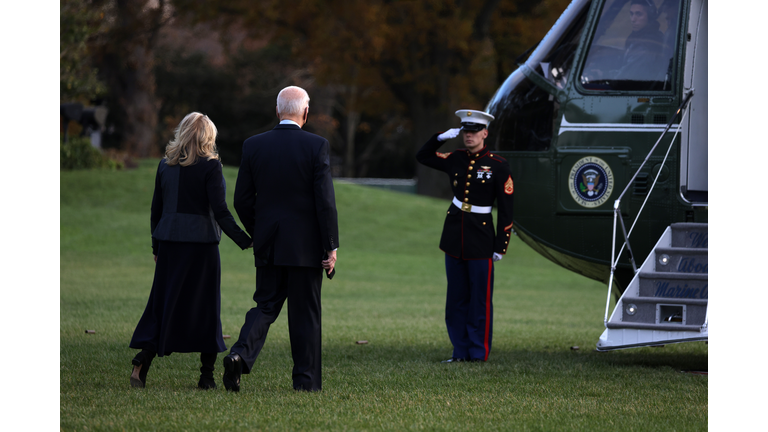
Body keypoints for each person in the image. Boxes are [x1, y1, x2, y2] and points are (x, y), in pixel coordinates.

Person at [224, 86, 339, 392]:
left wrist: (258, 230)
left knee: (264, 306)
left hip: (269, 244)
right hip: (306, 248)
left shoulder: (253, 145)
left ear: (277, 111)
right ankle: (306, 382)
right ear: (305, 112)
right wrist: (330, 245)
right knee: (306, 315)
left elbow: (241, 200)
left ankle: (239, 354)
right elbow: (324, 201)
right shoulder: (317, 146)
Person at [129, 112, 253, 389]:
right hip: (201, 248)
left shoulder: (165, 165)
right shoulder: (211, 167)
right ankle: (206, 377)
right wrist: (246, 240)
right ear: (209, 137)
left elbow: (156, 211)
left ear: (182, 133)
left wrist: (156, 247)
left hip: (169, 245)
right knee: (206, 308)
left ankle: (143, 358)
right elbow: (220, 211)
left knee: (163, 305)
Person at [416, 109, 514, 363]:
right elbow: (423, 156)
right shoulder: (455, 158)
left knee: (479, 301)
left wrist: (501, 245)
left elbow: (506, 210)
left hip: (482, 239)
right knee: (456, 300)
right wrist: (441, 137)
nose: (469, 136)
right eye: (465, 131)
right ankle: (459, 352)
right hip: (454, 237)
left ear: (485, 133)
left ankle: (478, 353)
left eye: (474, 131)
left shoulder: (498, 165)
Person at [615, 0, 665, 82]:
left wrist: (602, 75)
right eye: (631, 14)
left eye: (638, 14)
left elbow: (625, 79)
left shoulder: (646, 45)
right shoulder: (641, 36)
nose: (633, 19)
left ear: (650, 17)